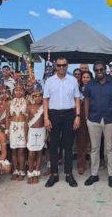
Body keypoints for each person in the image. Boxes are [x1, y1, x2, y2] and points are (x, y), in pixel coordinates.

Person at [84, 62, 112, 188]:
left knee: (110, 148)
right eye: (97, 70)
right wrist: (86, 117)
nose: (99, 71)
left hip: (110, 119)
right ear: (94, 71)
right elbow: (86, 100)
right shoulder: (90, 84)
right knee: (95, 148)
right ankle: (94, 174)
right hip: (93, 119)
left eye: (101, 69)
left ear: (105, 70)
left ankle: (111, 175)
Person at [43, 57, 81, 188]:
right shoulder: (49, 81)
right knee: (53, 146)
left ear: (67, 65)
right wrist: (46, 118)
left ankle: (69, 174)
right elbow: (45, 100)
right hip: (53, 115)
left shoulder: (73, 80)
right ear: (55, 66)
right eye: (59, 65)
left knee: (68, 145)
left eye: (64, 65)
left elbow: (77, 99)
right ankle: (54, 174)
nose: (61, 68)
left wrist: (77, 116)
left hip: (69, 114)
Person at [6, 84, 28, 180]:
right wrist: (7, 130)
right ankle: (15, 170)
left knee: (21, 151)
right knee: (13, 150)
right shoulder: (10, 102)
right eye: (16, 90)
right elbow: (7, 117)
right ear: (13, 91)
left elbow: (28, 117)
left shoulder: (27, 102)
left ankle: (22, 170)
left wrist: (27, 130)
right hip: (13, 126)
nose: (18, 92)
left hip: (22, 126)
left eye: (20, 90)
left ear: (23, 91)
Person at [26, 87, 46, 184]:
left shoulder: (44, 107)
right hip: (32, 131)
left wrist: (47, 134)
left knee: (39, 153)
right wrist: (26, 135)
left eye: (40, 96)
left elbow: (46, 121)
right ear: (32, 97)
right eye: (35, 96)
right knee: (31, 153)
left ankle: (37, 173)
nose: (38, 98)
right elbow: (26, 123)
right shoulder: (29, 107)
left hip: (42, 131)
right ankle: (30, 172)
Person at [75, 70, 92, 175]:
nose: (85, 79)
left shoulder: (95, 87)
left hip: (92, 115)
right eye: (84, 77)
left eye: (88, 77)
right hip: (79, 115)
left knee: (91, 142)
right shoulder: (77, 88)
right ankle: (81, 164)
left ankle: (94, 163)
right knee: (81, 141)